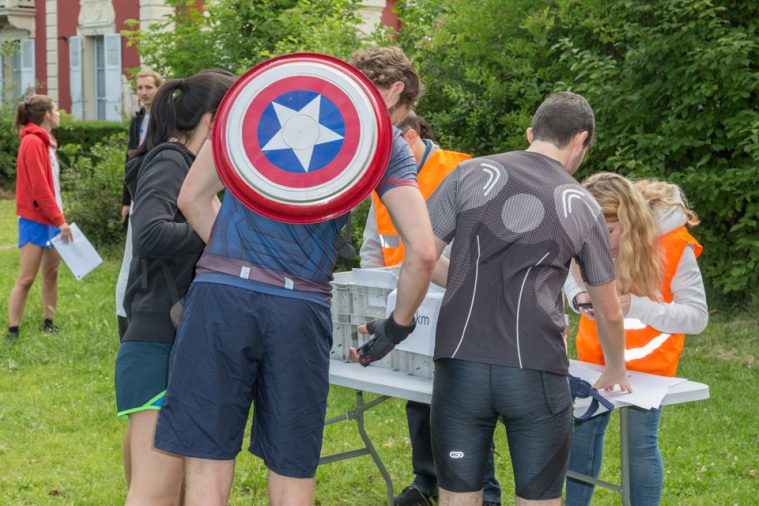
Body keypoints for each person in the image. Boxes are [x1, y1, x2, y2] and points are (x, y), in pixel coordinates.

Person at [153, 47, 436, 505]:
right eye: (403, 115)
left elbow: (192, 201)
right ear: (396, 92)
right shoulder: (383, 141)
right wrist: (397, 325)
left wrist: (235, 259)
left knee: (206, 461)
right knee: (292, 467)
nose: (401, 124)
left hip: (220, 297)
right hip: (299, 306)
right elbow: (422, 251)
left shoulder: (258, 105)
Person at [423, 92, 632, 506]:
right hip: (534, 372)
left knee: (457, 497)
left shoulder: (469, 173)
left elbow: (421, 254)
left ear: (531, 133)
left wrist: (468, 284)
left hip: (460, 364)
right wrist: (615, 366)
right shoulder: (581, 203)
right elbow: (607, 310)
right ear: (581, 140)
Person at [361, 113, 502, 506]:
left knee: (463, 399)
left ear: (410, 136)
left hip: (457, 304)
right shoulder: (383, 180)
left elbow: (481, 250)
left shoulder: (463, 169)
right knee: (417, 394)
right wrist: (385, 292)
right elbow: (375, 246)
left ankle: (484, 491)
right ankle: (426, 480)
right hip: (406, 305)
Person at [115, 69, 235, 506]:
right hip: (157, 341)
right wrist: (222, 233)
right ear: (212, 120)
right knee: (157, 494)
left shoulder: (189, 168)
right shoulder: (171, 160)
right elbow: (149, 235)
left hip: (167, 339)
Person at [564, 173, 708, 506]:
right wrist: (578, 297)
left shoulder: (673, 244)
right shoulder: (590, 231)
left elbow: (697, 318)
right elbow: (568, 272)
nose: (599, 241)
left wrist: (638, 307)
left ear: (630, 222)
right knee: (582, 437)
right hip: (594, 361)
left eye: (609, 232)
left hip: (650, 369)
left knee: (640, 443)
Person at [7, 95, 72, 342]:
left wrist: (59, 216)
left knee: (51, 272)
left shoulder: (48, 142)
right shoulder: (33, 142)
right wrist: (59, 220)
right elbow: (40, 188)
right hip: (36, 219)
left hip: (54, 218)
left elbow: (52, 186)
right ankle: (13, 331)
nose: (59, 112)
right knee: (26, 278)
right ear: (46, 114)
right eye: (56, 108)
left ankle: (49, 322)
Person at [115, 68, 162, 340]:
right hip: (137, 192)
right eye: (140, 87)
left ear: (158, 88)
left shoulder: (166, 118)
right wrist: (125, 200)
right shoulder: (137, 120)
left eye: (148, 87)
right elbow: (130, 160)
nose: (143, 92)